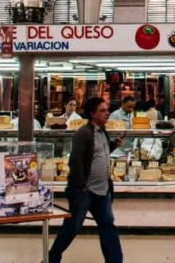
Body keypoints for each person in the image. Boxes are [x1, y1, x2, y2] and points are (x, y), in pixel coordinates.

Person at [48, 97, 123, 263]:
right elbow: (75, 161)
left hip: (102, 190)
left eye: (107, 110)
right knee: (72, 227)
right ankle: (52, 257)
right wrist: (81, 186)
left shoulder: (102, 132)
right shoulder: (84, 133)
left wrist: (113, 146)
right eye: (103, 110)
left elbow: (97, 154)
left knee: (108, 226)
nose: (107, 113)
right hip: (85, 191)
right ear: (92, 113)